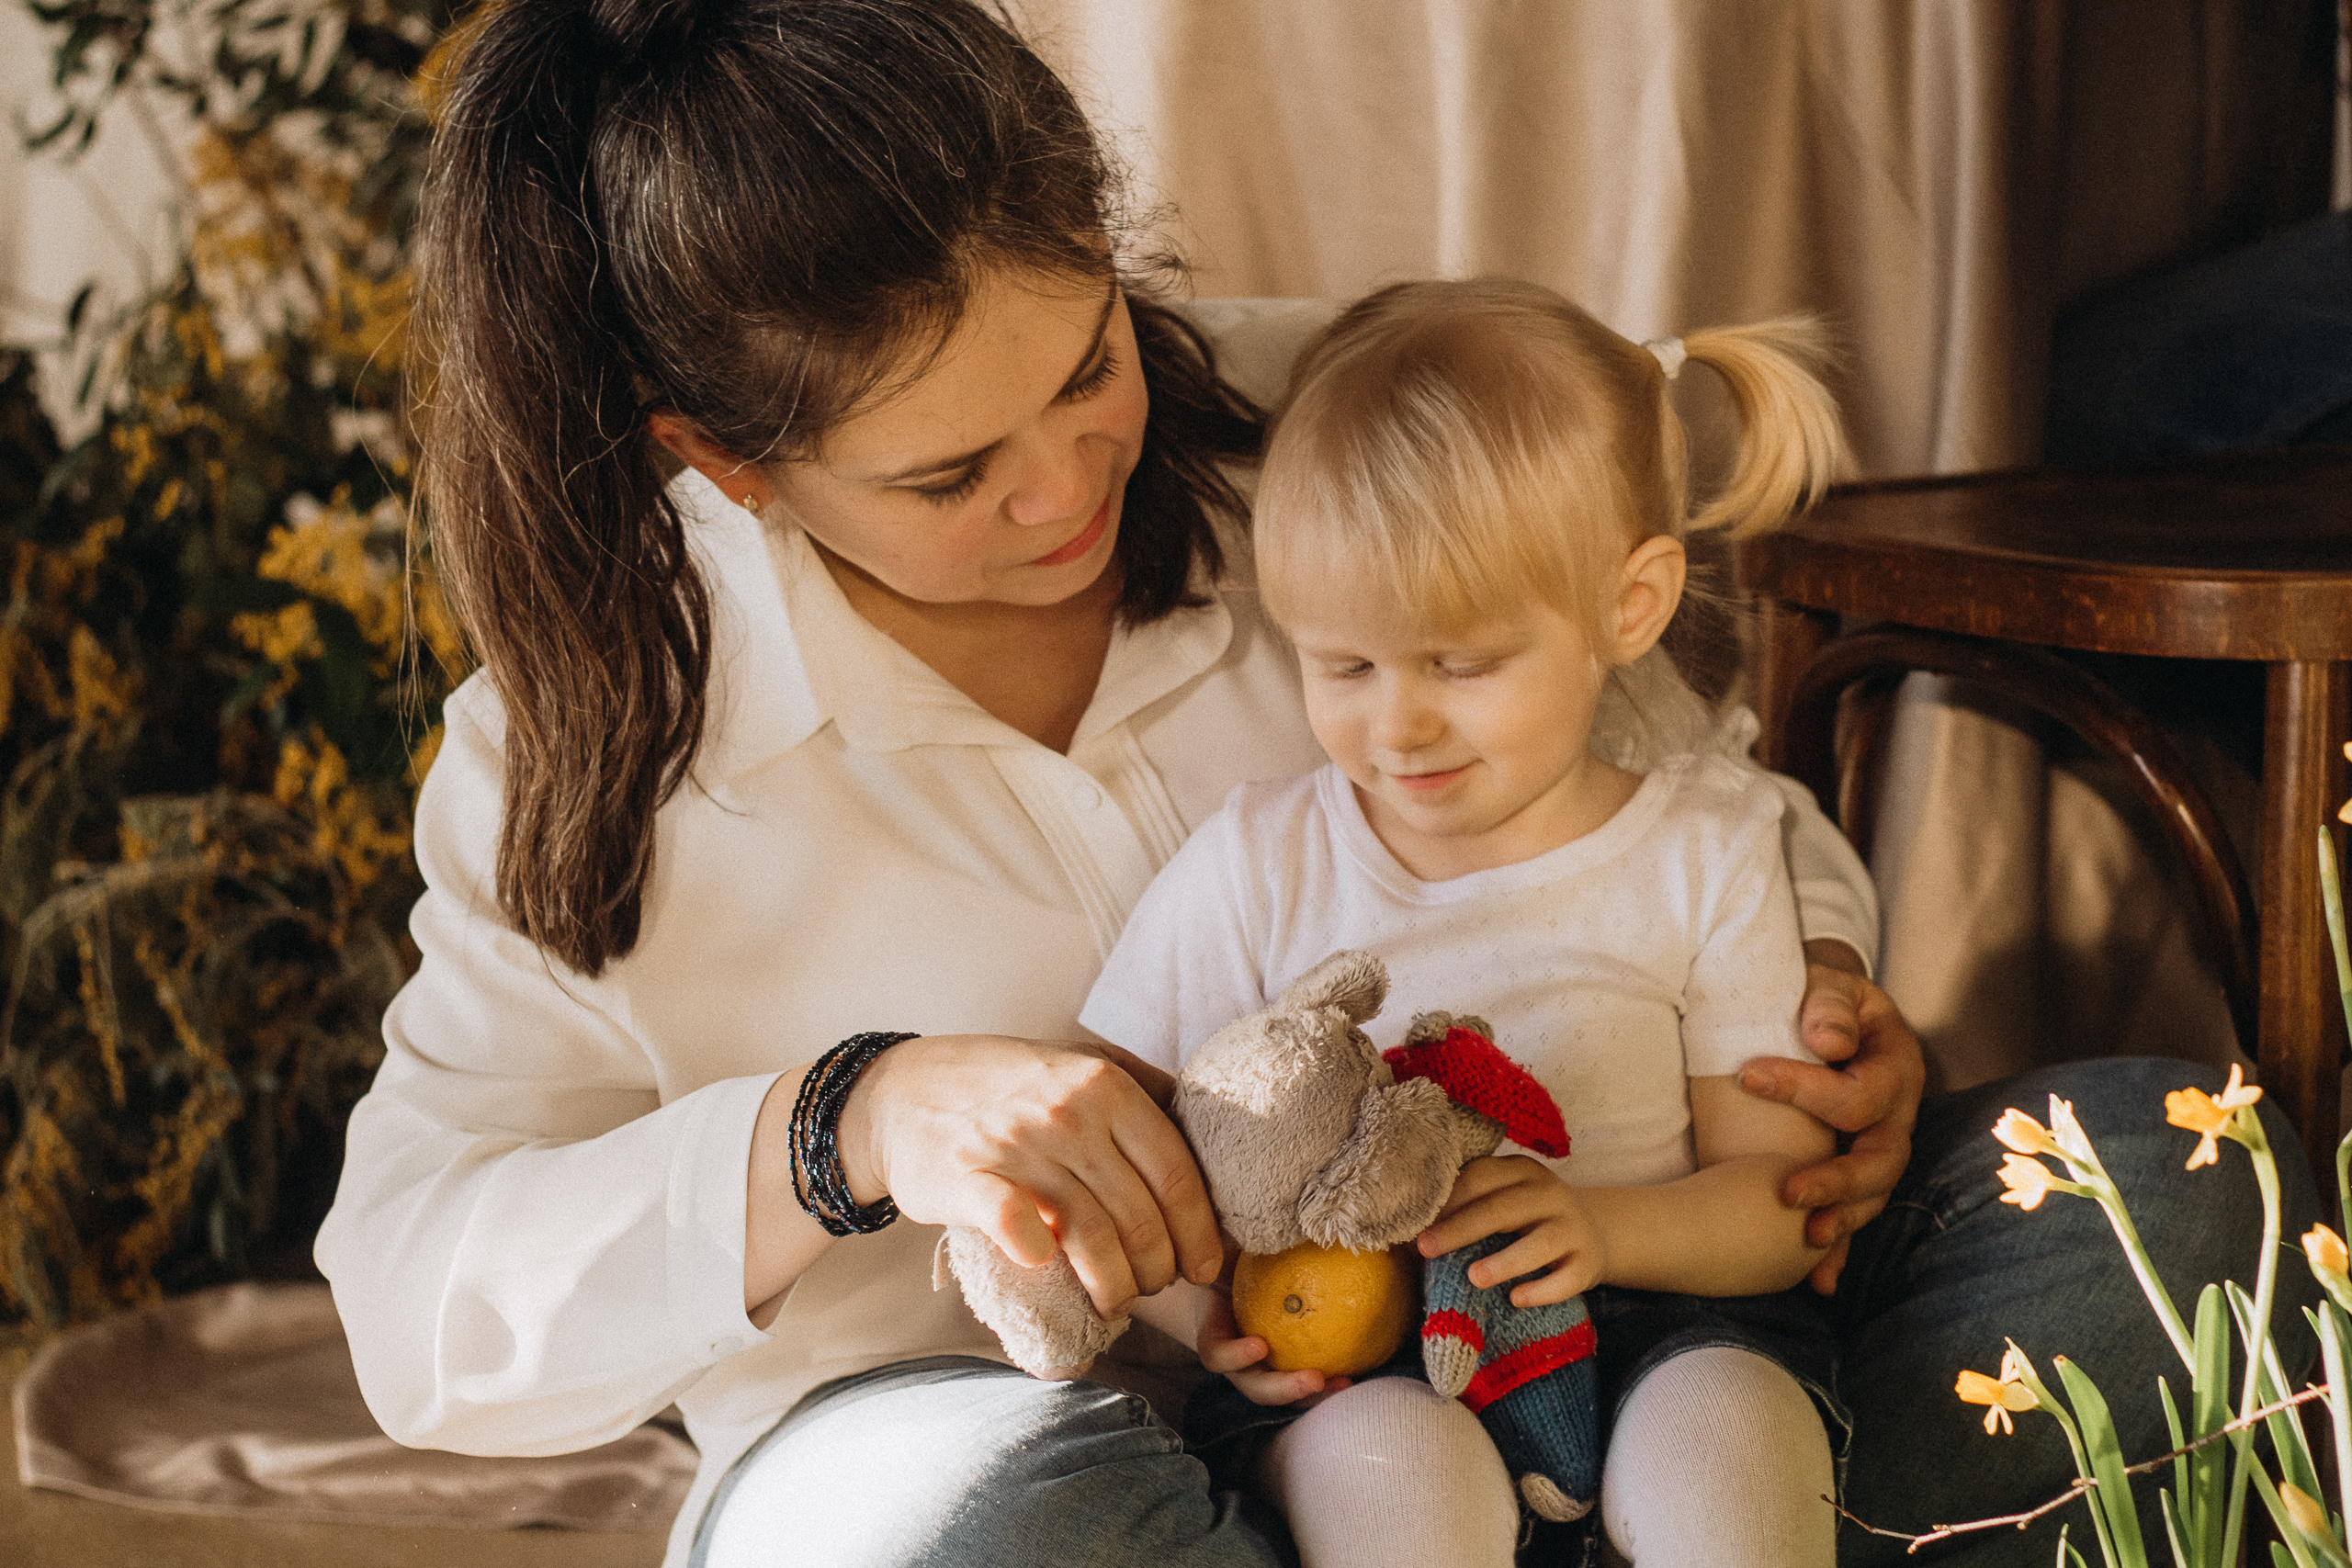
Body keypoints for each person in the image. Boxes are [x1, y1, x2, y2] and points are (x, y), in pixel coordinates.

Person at [313, 2, 2316, 1566]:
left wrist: (1819, 1021)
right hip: (1059, 1458)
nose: (1069, 481)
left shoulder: (1342, 425)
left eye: (1087, 362)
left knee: (2183, 1179)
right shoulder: (586, 738)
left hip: (1597, 1325)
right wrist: (843, 1121)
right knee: (944, 1527)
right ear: (726, 462)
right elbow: (413, 1302)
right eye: (945, 477)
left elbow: (1682, 805)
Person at [1078, 278, 1850, 1568]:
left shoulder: (1705, 848)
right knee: (1395, 1480)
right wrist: (1208, 1315)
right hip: (1371, 1363)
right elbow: (1126, 1129)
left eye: (1461, 664)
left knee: (1731, 1431)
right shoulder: (1260, 858)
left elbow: (1779, 1203)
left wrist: (1605, 1231)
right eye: (1346, 666)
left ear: (1632, 607)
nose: (1399, 726)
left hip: (1663, 1320)